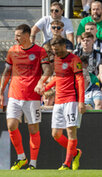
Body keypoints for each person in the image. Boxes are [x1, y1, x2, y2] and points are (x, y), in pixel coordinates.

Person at [0, 24, 51, 170]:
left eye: (18, 35)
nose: (15, 38)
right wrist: (1, 92)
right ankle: (21, 157)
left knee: (33, 129)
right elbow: (7, 72)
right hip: (14, 94)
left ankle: (33, 163)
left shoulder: (39, 51)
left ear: (27, 35)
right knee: (11, 125)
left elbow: (48, 69)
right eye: (15, 35)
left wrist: (41, 82)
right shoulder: (12, 50)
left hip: (32, 96)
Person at [44, 36, 85, 170]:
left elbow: (80, 80)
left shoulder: (74, 59)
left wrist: (81, 102)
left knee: (70, 131)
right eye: (54, 50)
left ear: (64, 46)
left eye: (58, 50)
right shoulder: (56, 58)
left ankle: (66, 164)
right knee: (56, 134)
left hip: (71, 100)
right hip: (58, 100)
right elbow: (57, 78)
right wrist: (45, 87)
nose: (56, 53)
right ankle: (76, 153)